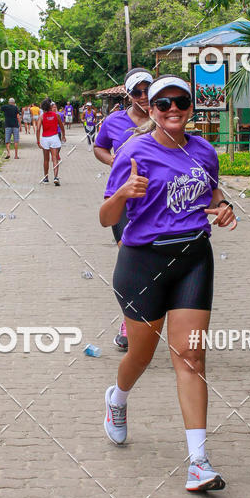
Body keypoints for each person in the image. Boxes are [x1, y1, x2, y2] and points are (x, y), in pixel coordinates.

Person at [100, 75, 237, 493]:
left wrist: (224, 207)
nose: (173, 109)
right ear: (151, 108)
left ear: (191, 106)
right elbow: (106, 218)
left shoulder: (204, 151)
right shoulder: (133, 151)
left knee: (192, 358)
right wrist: (123, 193)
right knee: (141, 355)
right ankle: (117, 400)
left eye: (181, 102)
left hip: (194, 259)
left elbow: (209, 196)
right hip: (143, 263)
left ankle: (199, 462)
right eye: (164, 103)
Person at [94, 67, 153, 351]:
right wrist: (113, 161)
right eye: (137, 91)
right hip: (123, 201)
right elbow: (99, 147)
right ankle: (130, 321)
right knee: (131, 261)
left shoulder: (165, 117)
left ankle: (153, 315)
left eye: (147, 90)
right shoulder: (114, 122)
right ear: (128, 94)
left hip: (157, 202)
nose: (143, 96)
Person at [37, 98, 66, 185]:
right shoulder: (56, 115)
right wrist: (63, 136)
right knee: (55, 158)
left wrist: (38, 141)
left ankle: (46, 178)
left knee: (46, 159)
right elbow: (61, 126)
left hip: (45, 138)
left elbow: (38, 129)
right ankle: (56, 177)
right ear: (50, 106)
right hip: (54, 138)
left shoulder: (41, 117)